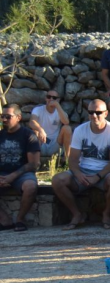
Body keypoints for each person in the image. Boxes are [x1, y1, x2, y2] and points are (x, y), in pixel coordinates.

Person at [51, 99, 110, 230]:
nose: (94, 115)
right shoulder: (80, 130)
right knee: (57, 180)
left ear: (106, 113)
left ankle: (106, 214)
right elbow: (72, 159)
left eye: (98, 112)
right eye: (91, 112)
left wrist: (98, 176)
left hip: (104, 172)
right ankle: (76, 214)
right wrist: (78, 174)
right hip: (83, 170)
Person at [0, 105, 40, 233]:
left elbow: (33, 164)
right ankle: (5, 220)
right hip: (2, 172)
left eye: (8, 117)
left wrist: (13, 176)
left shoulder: (29, 135)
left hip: (22, 173)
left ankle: (20, 219)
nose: (4, 119)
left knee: (30, 186)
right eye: (2, 116)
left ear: (18, 118)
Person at [29, 89, 71, 166]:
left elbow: (66, 122)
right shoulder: (38, 110)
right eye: (49, 97)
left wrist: (57, 105)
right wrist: (40, 130)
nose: (51, 99)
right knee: (35, 132)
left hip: (55, 144)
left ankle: (66, 160)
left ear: (58, 100)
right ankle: (36, 163)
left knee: (67, 128)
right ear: (46, 98)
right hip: (41, 142)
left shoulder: (60, 112)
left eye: (54, 98)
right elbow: (32, 122)